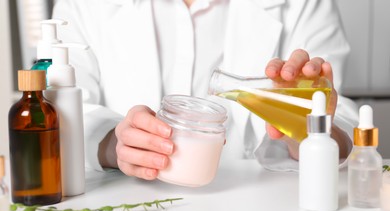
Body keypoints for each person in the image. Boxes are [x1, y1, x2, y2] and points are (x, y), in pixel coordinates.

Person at [52, 0, 358, 180]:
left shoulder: (303, 5)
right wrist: (111, 143)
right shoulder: (83, 6)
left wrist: (311, 133)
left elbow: (343, 124)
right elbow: (58, 114)